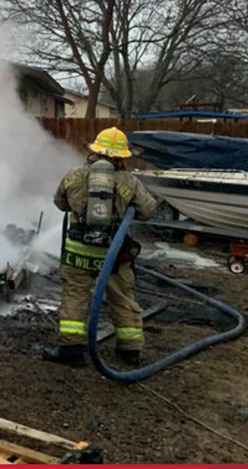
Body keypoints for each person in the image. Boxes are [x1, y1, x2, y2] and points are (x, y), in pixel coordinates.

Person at [42, 127, 158, 367]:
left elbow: (59, 202)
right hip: (114, 255)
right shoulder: (129, 180)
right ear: (120, 156)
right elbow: (148, 211)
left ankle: (71, 350)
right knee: (122, 298)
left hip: (78, 253)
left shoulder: (74, 174)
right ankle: (130, 350)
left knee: (75, 297)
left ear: (95, 151)